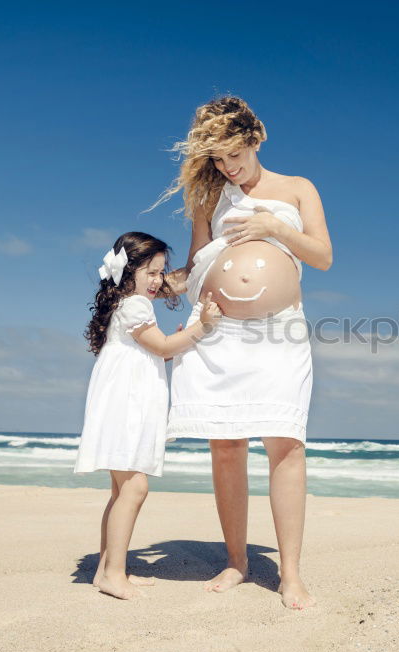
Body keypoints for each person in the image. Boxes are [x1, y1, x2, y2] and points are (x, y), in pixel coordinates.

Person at [156, 96, 332, 610]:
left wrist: (275, 228)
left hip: (279, 331)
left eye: (234, 154)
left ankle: (291, 574)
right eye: (218, 160)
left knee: (286, 442)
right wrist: (147, 287)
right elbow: (195, 265)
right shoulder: (211, 198)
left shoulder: (298, 189)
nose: (228, 167)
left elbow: (322, 257)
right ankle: (236, 561)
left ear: (256, 139)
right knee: (226, 445)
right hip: (219, 333)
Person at [74, 231, 221, 600]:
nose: (158, 280)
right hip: (128, 405)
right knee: (135, 486)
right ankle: (113, 574)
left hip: (122, 401)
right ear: (129, 272)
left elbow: (158, 351)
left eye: (161, 273)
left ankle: (109, 569)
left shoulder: (126, 305)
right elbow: (163, 346)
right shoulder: (136, 306)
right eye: (151, 272)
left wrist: (172, 344)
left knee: (121, 489)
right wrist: (202, 326)